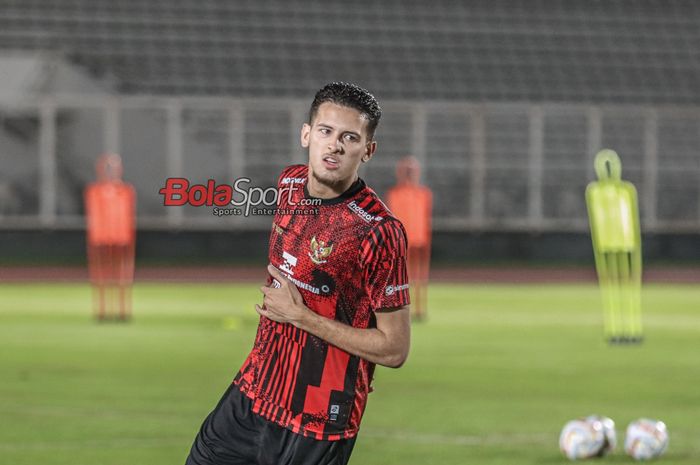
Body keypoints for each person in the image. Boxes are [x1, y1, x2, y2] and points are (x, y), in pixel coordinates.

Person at [185, 82, 411, 465]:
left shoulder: (378, 231)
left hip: (318, 424)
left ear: (367, 150)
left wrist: (301, 317)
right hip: (252, 396)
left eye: (350, 137)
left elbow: (394, 349)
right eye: (325, 131)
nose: (334, 145)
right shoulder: (289, 184)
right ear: (306, 134)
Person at [387, 156, 432, 320]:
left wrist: (426, 237)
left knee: (419, 276)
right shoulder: (395, 194)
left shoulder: (423, 194)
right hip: (401, 241)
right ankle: (401, 307)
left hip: (418, 239)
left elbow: (425, 218)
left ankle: (420, 308)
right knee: (400, 277)